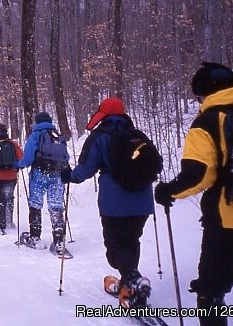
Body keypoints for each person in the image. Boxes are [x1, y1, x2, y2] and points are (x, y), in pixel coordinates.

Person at [154, 62, 233, 326]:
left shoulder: (206, 122)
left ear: (205, 92)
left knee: (210, 291)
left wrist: (167, 191)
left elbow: (199, 174)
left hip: (226, 224)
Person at [60, 97, 154, 308]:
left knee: (115, 247)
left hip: (115, 203)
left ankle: (133, 279)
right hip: (142, 200)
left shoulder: (100, 136)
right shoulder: (138, 136)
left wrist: (68, 176)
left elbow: (85, 170)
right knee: (131, 241)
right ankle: (130, 282)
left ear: (103, 115)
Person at [14, 112, 69, 255]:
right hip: (57, 175)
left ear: (36, 122)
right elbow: (66, 157)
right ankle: (59, 243)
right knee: (56, 207)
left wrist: (18, 165)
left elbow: (28, 158)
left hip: (39, 174)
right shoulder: (57, 135)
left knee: (35, 204)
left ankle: (35, 237)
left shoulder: (35, 135)